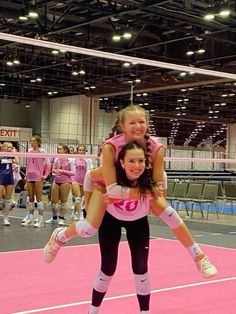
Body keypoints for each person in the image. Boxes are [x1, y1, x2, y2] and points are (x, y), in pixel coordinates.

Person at [44, 105, 217, 278]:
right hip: (104, 185)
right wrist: (88, 200)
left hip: (137, 185)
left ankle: (199, 257)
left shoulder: (156, 148)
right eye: (132, 122)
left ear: (147, 124)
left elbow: (157, 186)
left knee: (167, 212)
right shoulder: (111, 147)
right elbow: (109, 188)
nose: (138, 126)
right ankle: (60, 236)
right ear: (122, 125)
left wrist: (156, 193)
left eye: (141, 122)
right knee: (89, 229)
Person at [23, 135, 50, 227]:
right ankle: (30, 218)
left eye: (34, 141)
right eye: (31, 141)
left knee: (39, 198)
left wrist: (45, 175)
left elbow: (48, 165)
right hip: (30, 176)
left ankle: (41, 219)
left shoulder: (42, 151)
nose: (31, 142)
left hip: (38, 177)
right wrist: (26, 178)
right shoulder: (29, 151)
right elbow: (28, 165)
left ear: (38, 142)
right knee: (30, 198)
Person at [45, 143, 74, 226]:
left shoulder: (70, 159)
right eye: (58, 149)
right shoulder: (57, 159)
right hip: (56, 180)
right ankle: (54, 218)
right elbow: (53, 169)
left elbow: (73, 173)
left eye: (60, 149)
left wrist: (62, 171)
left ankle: (61, 218)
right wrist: (54, 170)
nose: (58, 150)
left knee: (63, 201)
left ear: (65, 150)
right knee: (54, 201)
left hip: (66, 181)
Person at [0, 142, 18, 225]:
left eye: (11, 147)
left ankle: (6, 218)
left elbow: (17, 162)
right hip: (1, 178)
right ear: (4, 147)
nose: (10, 149)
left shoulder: (11, 156)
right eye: (8, 147)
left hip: (9, 178)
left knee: (8, 200)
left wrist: (14, 153)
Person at [70, 145, 88, 221]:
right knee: (78, 196)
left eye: (82, 150)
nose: (80, 152)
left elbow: (88, 171)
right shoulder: (73, 160)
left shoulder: (88, 160)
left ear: (84, 151)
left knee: (81, 198)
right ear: (77, 151)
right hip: (74, 180)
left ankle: (73, 213)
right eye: (79, 150)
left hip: (83, 181)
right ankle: (81, 214)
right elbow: (71, 171)